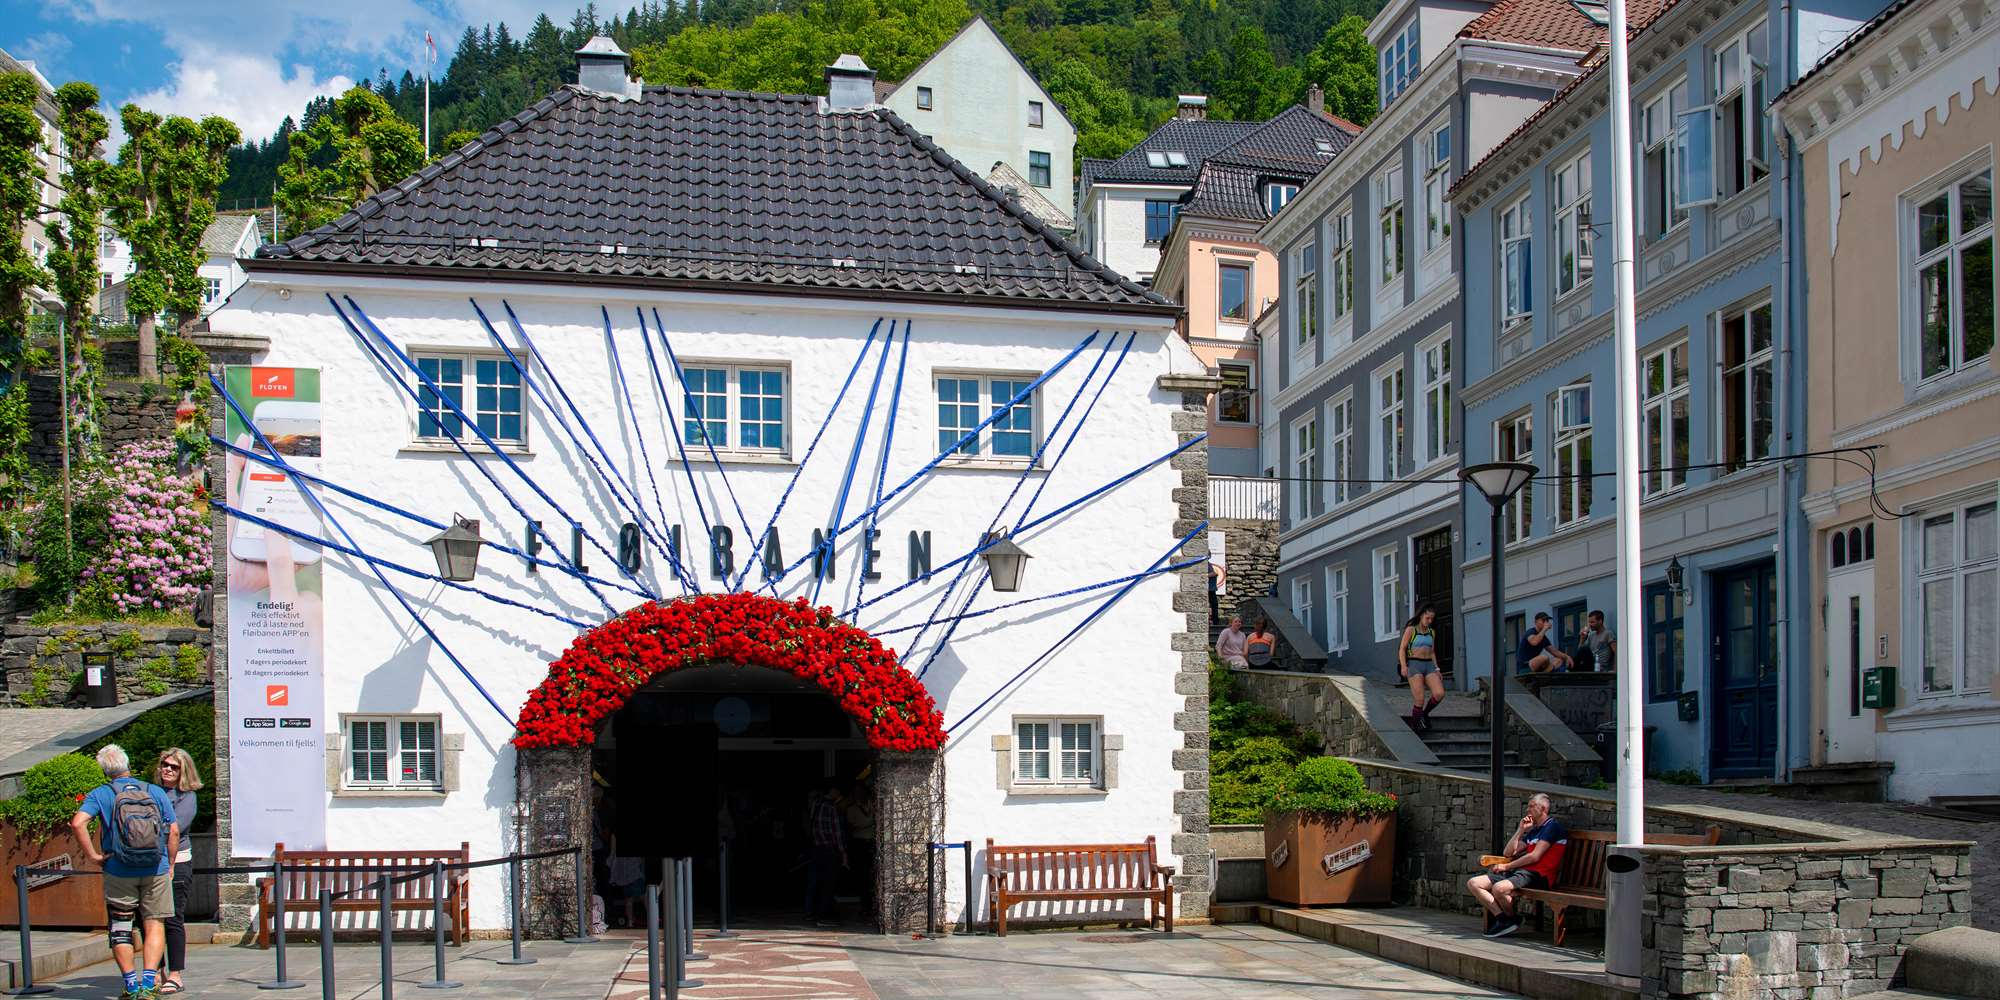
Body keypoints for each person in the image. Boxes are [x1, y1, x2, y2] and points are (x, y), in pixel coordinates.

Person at [71, 745, 178, 1000]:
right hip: (155, 868)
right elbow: (173, 830)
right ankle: (150, 984)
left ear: (105, 770)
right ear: (128, 764)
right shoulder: (154, 791)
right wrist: (170, 864)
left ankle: (130, 985)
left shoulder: (101, 793)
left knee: (121, 927)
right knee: (154, 924)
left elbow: (78, 823)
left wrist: (94, 856)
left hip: (119, 870)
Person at [1466, 793, 1569, 938]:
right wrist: (1521, 830)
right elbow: (1508, 852)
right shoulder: (1534, 830)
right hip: (1524, 873)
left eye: (1532, 806)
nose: (1528, 810)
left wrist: (1506, 867)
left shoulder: (1552, 827)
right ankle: (1505, 919)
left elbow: (1535, 856)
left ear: (1544, 808)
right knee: (1474, 883)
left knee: (1499, 888)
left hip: (1540, 876)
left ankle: (1510, 919)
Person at [151, 749, 202, 995]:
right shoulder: (152, 792)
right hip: (151, 860)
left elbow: (176, 828)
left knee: (173, 918)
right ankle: (157, 970)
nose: (168, 769)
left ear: (183, 770)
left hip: (177, 861)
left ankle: (175, 974)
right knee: (151, 919)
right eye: (164, 764)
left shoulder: (187, 796)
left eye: (174, 766)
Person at [804, 785, 847, 927]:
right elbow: (837, 834)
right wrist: (843, 854)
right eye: (838, 791)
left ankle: (810, 912)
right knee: (829, 883)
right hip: (829, 849)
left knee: (815, 881)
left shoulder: (815, 805)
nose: (839, 794)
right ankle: (823, 915)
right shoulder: (831, 808)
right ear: (833, 790)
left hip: (816, 848)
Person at [1398, 606, 1446, 730]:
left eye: (1431, 618)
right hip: (1414, 664)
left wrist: (1437, 669)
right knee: (1419, 699)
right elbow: (1402, 648)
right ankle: (1416, 725)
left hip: (1429, 665)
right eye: (1427, 618)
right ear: (1421, 616)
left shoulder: (1431, 632)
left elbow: (1432, 652)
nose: (1429, 621)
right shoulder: (1411, 630)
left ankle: (1424, 714)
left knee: (1439, 693)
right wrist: (1403, 665)